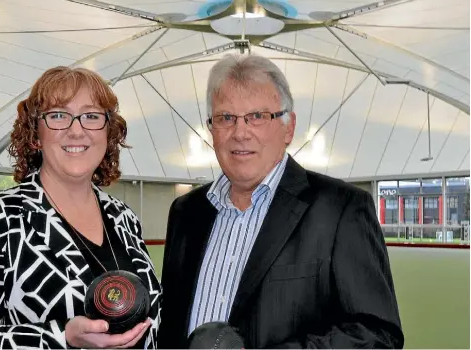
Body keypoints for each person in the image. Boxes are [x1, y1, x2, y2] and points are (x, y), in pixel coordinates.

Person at [159, 54, 404, 348]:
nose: (240, 132)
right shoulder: (186, 212)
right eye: (226, 118)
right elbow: (170, 325)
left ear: (288, 127)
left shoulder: (342, 209)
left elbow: (376, 334)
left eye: (258, 116)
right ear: (212, 130)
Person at [0, 67, 161, 349]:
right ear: (35, 134)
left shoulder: (124, 218)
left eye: (91, 116)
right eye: (58, 116)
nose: (76, 130)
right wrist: (61, 337)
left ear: (108, 132)